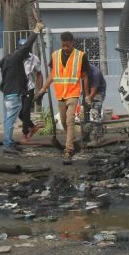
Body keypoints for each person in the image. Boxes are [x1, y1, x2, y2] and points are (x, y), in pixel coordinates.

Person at [36, 31, 89, 165]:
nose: (65, 48)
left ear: (72, 43)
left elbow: (84, 77)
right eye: (63, 45)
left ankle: (68, 150)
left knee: (70, 120)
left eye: (68, 45)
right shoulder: (55, 55)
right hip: (60, 94)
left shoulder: (80, 56)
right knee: (64, 122)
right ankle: (73, 140)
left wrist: (87, 95)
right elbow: (53, 75)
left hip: (73, 93)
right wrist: (43, 89)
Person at [0, 21, 44, 155]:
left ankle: (10, 142)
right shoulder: (18, 57)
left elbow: (1, 64)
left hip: (9, 92)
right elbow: (27, 45)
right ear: (20, 49)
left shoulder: (8, 58)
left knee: (9, 119)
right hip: (13, 93)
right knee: (10, 121)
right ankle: (7, 144)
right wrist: (36, 30)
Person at [19, 38, 44, 141]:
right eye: (22, 47)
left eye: (26, 47)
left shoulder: (34, 59)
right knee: (19, 113)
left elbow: (39, 73)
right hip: (18, 88)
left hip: (29, 88)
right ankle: (33, 127)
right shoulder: (16, 57)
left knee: (25, 111)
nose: (24, 49)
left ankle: (25, 134)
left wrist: (40, 89)